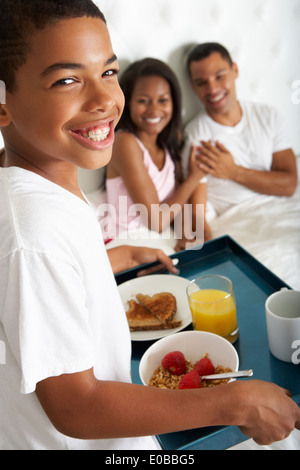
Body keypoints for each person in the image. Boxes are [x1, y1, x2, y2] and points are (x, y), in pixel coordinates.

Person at [0, 0, 299, 451]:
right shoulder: (33, 229)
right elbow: (76, 406)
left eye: (107, 72)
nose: (105, 101)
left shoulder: (46, 187)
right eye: (66, 80)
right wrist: (232, 401)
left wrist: (107, 260)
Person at [181, 42, 298, 237]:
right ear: (193, 86)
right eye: (202, 82)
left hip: (283, 212)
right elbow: (197, 212)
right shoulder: (197, 134)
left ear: (234, 70)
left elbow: (289, 184)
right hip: (240, 221)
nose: (212, 89)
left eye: (219, 76)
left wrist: (234, 171)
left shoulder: (268, 116)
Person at [105, 58, 205, 248]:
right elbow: (156, 221)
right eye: (143, 101)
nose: (154, 110)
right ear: (129, 101)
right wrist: (194, 178)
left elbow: (176, 200)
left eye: (163, 100)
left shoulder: (167, 145)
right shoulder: (125, 142)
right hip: (126, 244)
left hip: (156, 242)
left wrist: (184, 234)